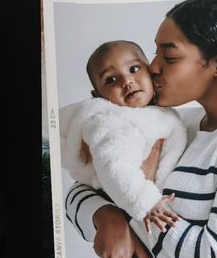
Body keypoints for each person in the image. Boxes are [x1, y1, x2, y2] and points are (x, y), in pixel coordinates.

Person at [65, 0, 217, 258]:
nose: (152, 67)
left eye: (168, 56)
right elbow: (81, 186)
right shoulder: (178, 123)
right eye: (154, 53)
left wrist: (136, 209)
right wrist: (107, 216)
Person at [61, 40, 185, 235]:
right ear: (98, 95)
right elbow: (114, 167)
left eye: (134, 69)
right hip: (133, 208)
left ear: (149, 71)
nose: (126, 81)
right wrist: (146, 202)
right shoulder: (111, 122)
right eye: (110, 80)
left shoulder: (162, 114)